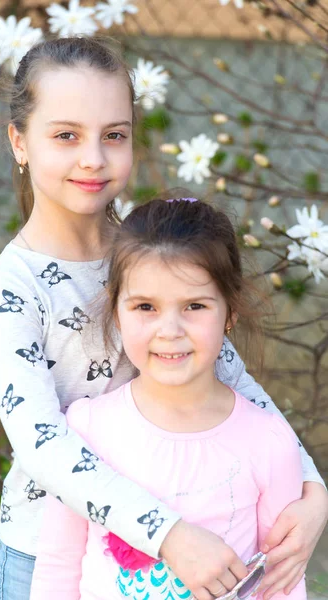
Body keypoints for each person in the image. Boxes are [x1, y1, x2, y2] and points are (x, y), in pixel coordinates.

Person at [0, 36, 327, 600]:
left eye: (114, 135)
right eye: (66, 135)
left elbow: (237, 384)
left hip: (177, 552)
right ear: (19, 142)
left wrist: (312, 490)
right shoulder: (10, 288)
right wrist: (167, 535)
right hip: (52, 556)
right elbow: (42, 443)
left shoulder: (148, 253)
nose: (93, 157)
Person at [30, 197, 307, 600]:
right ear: (116, 309)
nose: (169, 330)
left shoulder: (269, 442)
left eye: (194, 306)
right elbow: (58, 568)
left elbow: (282, 585)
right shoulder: (87, 428)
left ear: (229, 312)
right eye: (146, 307)